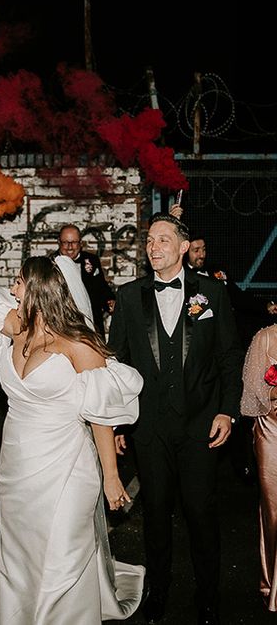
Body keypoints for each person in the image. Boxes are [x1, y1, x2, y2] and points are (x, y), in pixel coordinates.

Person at [0, 230, 145, 624]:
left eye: (17, 281)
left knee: (65, 551)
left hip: (67, 463)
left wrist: (112, 477)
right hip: (17, 462)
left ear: (34, 289)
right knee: (21, 550)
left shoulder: (78, 345)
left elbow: (99, 412)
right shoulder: (16, 326)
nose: (10, 287)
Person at [109, 213, 244, 625]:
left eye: (163, 240)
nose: (153, 247)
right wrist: (114, 422)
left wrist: (228, 410)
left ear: (183, 247)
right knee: (156, 515)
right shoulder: (130, 296)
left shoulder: (212, 294)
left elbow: (228, 356)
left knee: (201, 514)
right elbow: (116, 363)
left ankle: (208, 597)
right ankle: (158, 592)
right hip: (148, 428)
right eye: (150, 240)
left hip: (201, 425)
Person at [241, 323, 277, 611]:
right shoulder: (265, 338)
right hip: (272, 433)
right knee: (273, 510)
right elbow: (252, 396)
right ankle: (272, 583)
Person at [57, 224, 115, 334]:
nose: (70, 247)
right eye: (65, 242)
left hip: (90, 325)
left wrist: (110, 301)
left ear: (80, 243)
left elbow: (101, 287)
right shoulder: (51, 263)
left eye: (74, 242)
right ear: (59, 242)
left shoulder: (91, 260)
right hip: (63, 327)